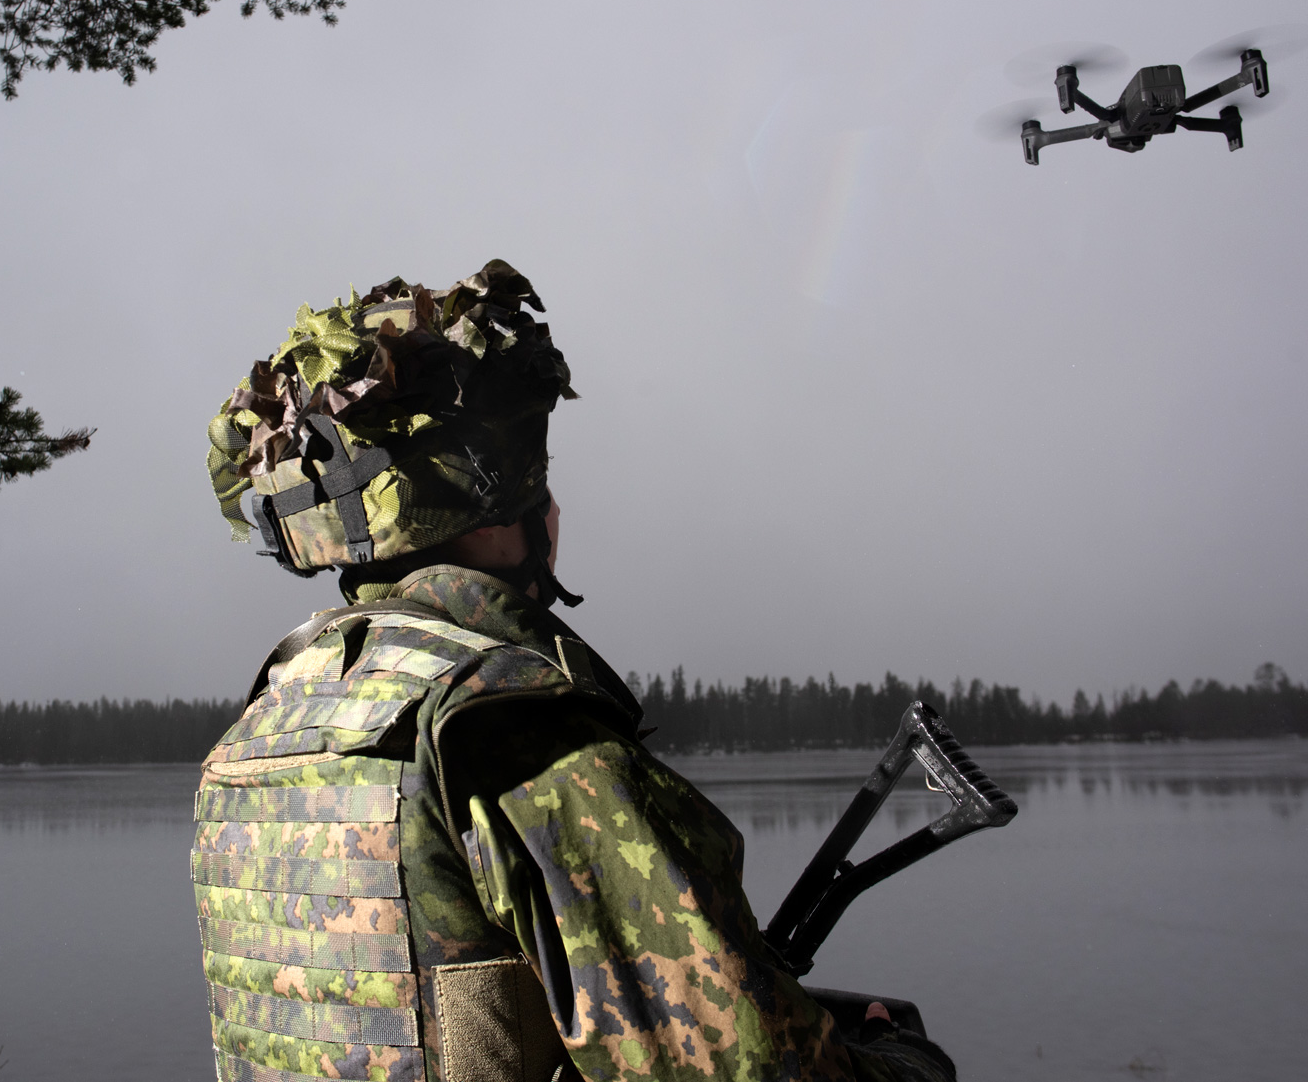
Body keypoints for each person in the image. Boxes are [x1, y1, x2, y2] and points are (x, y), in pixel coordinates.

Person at [197, 262, 954, 1082]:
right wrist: (901, 1060)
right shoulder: (511, 731)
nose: (553, 514)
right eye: (537, 490)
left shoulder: (260, 731)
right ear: (494, 526)